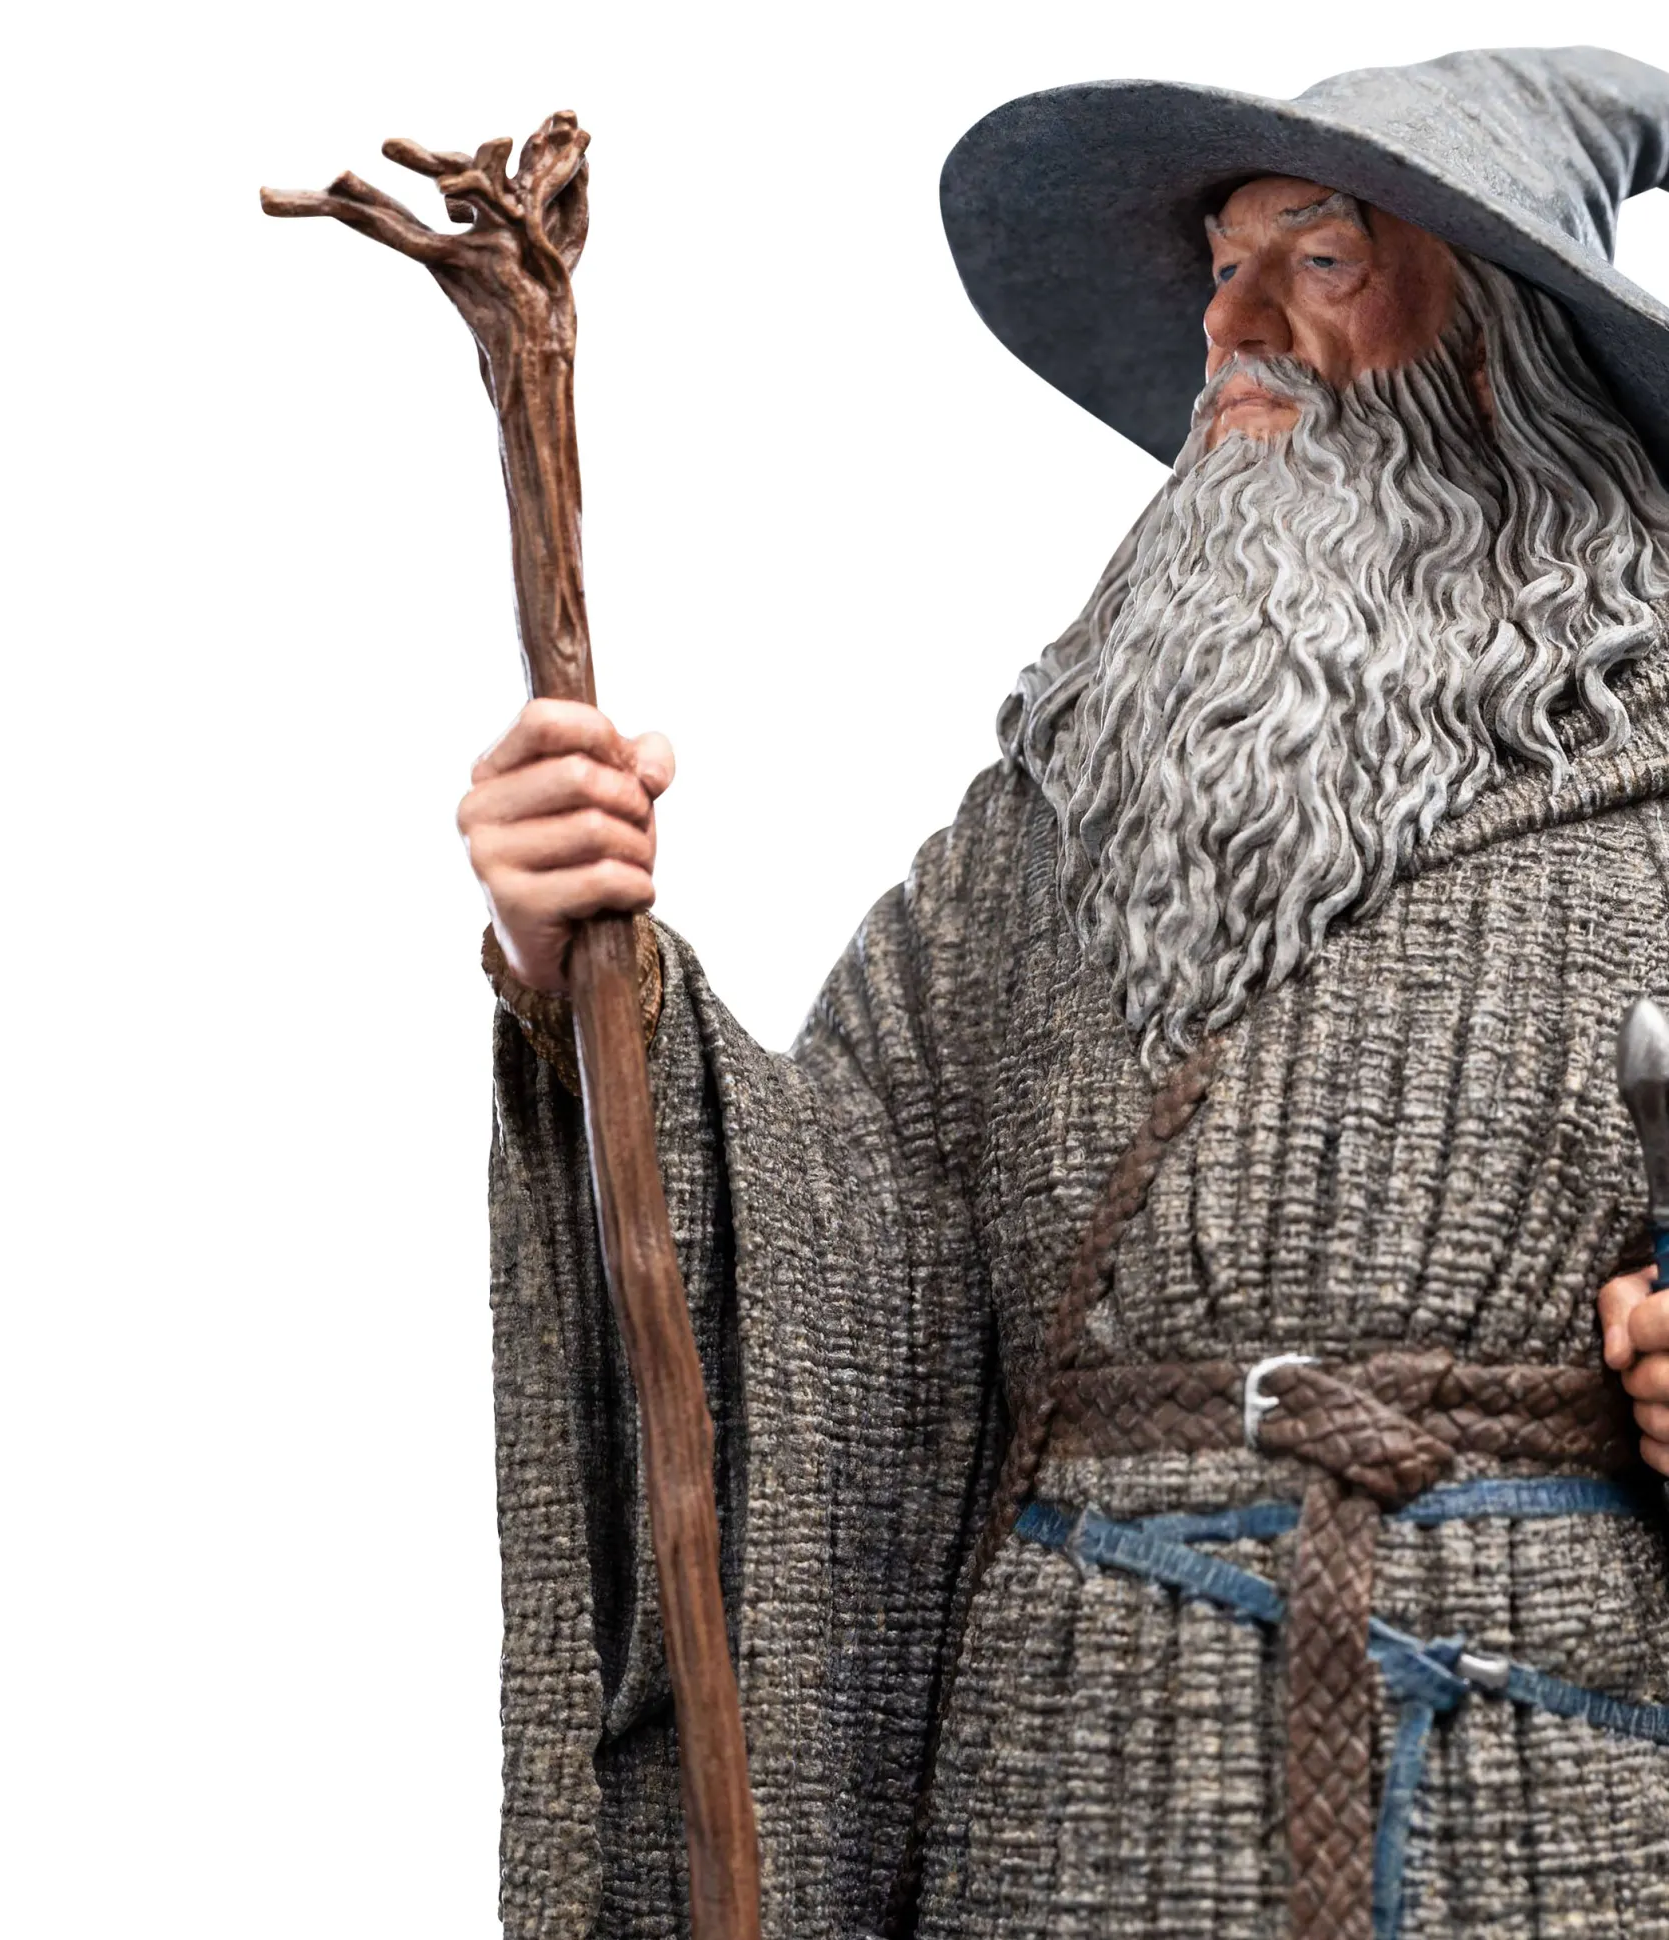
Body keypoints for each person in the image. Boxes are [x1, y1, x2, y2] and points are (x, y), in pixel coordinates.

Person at [462, 48, 1669, 1940]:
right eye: (1222, 271)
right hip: (1074, 1791)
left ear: (1505, 349)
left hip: (1544, 1789)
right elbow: (841, 1245)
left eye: (1318, 260)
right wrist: (586, 962)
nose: (1231, 328)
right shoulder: (1061, 826)